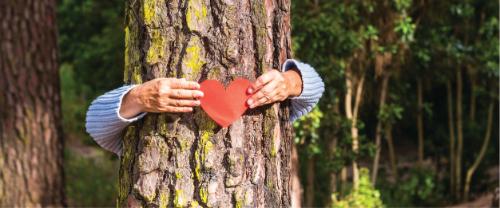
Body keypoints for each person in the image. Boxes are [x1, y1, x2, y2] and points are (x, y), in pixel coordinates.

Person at [85, 59, 325, 155]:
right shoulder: (139, 122)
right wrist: (136, 97)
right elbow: (96, 125)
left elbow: (314, 89)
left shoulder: (273, 106)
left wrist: (291, 81)